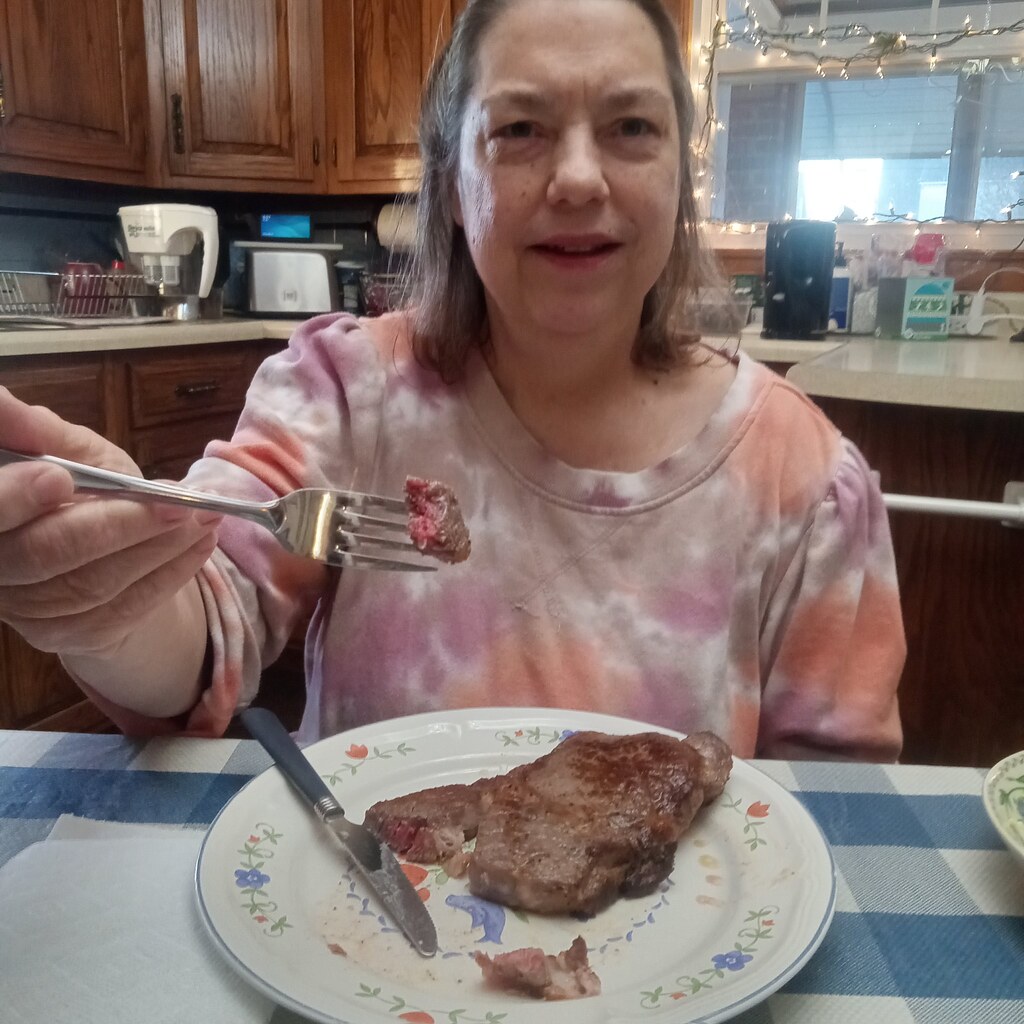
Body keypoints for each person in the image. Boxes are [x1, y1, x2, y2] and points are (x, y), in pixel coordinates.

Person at [0, 0, 904, 760]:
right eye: (520, 129)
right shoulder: (347, 394)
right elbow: (203, 631)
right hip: (369, 922)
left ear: (681, 175)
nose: (580, 177)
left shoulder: (804, 478)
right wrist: (109, 610)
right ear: (450, 182)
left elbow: (833, 816)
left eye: (632, 127)